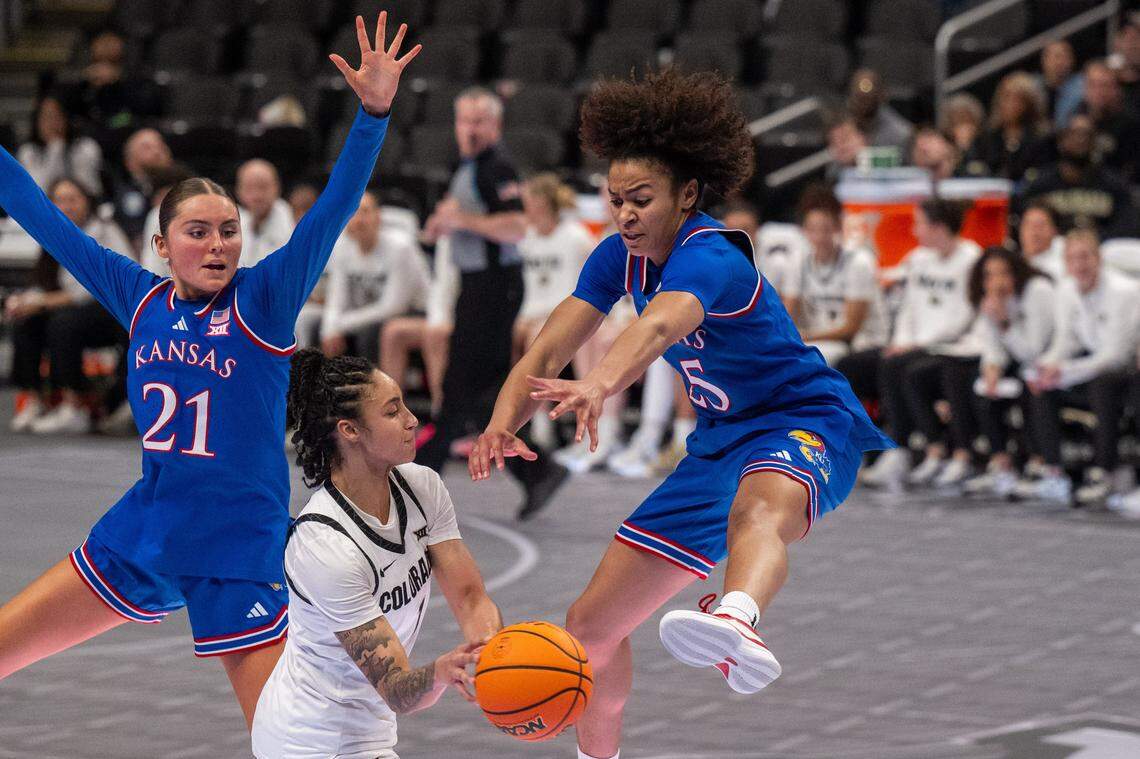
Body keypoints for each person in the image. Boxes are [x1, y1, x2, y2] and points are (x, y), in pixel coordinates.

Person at [0, 12, 418, 730]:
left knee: (292, 740)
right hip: (145, 534)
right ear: (163, 244)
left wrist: (373, 112)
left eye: (229, 229)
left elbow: (334, 208)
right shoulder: (141, 298)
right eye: (198, 231)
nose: (219, 243)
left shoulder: (263, 299)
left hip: (238, 553)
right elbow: (40, 215)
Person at [467, 69, 893, 759]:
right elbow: (547, 345)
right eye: (615, 201)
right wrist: (499, 424)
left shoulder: (714, 256)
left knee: (758, 510)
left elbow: (660, 326)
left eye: (641, 200)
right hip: (719, 442)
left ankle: (738, 617)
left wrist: (601, 383)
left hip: (805, 418)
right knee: (590, 628)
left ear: (688, 194)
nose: (625, 215)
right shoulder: (619, 258)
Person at [251, 349, 497, 759]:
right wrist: (440, 673)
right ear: (350, 430)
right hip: (308, 741)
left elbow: (470, 596)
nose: (412, 420)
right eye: (392, 411)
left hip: (368, 730)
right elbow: (399, 689)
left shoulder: (422, 487)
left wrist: (490, 650)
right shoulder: (325, 545)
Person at [417, 87, 568, 517]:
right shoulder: (468, 166)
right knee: (480, 392)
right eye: (463, 120)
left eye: (478, 121)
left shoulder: (497, 165)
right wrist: (441, 226)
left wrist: (460, 220)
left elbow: (518, 227)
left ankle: (420, 483)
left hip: (494, 287)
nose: (469, 129)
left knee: (462, 386)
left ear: (495, 125)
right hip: (477, 284)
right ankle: (537, 469)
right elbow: (457, 221)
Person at [842, 198, 981, 490]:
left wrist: (917, 344)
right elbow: (908, 309)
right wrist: (901, 341)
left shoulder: (971, 258)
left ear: (939, 227)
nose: (915, 231)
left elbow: (964, 315)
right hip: (914, 344)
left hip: (951, 346)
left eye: (919, 224)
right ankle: (868, 449)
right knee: (851, 365)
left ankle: (904, 447)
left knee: (898, 366)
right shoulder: (918, 259)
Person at [1019, 229, 1140, 505]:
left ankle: (1103, 471)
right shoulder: (1066, 289)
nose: (1079, 266)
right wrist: (1048, 365)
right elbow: (1067, 340)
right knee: (1039, 383)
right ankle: (1053, 470)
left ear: (1098, 259)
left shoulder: (1125, 292)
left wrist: (1067, 372)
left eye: (1085, 257)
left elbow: (1115, 354)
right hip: (1091, 364)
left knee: (1102, 385)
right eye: (1072, 259)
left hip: (1123, 370)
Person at [7, 178, 130, 433]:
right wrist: (24, 301)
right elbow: (45, 282)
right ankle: (33, 399)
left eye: (73, 199)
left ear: (87, 201)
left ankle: (76, 403)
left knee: (63, 324)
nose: (66, 206)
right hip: (70, 307)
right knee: (25, 322)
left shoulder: (104, 230)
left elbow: (87, 289)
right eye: (59, 200)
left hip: (111, 309)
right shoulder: (52, 236)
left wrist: (41, 302)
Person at [959, 246, 1055, 497]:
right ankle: (1002, 464)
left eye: (1003, 273)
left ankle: (1039, 461)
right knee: (981, 387)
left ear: (1017, 272)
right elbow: (993, 345)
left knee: (1030, 385)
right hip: (1020, 359)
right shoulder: (989, 299)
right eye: (989, 276)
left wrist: (1003, 321)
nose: (997, 282)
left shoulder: (1038, 291)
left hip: (1047, 359)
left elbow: (1033, 351)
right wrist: (992, 368)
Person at [513, 173, 596, 450]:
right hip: (536, 314)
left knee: (537, 335)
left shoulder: (576, 237)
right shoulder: (526, 238)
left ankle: (541, 427)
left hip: (571, 314)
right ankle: (515, 421)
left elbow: (573, 292)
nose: (526, 210)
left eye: (530, 204)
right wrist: (524, 316)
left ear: (544, 204)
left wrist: (531, 317)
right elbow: (528, 288)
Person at [782, 187, 888, 367]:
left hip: (862, 343)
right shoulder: (798, 262)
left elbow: (850, 328)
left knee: (814, 359)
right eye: (813, 229)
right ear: (804, 230)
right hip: (817, 338)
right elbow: (787, 314)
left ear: (838, 227)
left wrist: (805, 335)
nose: (819, 237)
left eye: (826, 229)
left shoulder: (858, 262)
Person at [321, 190, 430, 362]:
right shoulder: (342, 248)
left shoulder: (400, 247)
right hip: (365, 314)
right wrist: (329, 330)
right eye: (353, 213)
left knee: (369, 333)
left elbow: (393, 306)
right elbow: (336, 299)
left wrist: (340, 324)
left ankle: (377, 389)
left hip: (414, 311)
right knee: (320, 330)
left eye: (365, 212)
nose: (359, 220)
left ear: (378, 217)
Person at [1016, 114, 1140, 239]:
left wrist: (1093, 240)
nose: (1081, 140)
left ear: (1095, 142)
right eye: (1075, 133)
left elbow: (1127, 228)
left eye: (1087, 134)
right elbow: (1022, 223)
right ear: (1061, 140)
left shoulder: (1115, 185)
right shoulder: (1040, 184)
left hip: (1102, 251)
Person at [964, 71, 1052, 183]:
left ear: (1030, 104)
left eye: (1018, 99)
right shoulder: (986, 137)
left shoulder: (1042, 139)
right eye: (1006, 97)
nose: (1011, 104)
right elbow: (973, 168)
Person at [17, 95, 104, 197]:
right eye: (46, 117)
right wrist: (54, 150)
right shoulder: (28, 152)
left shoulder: (86, 147)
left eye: (56, 116)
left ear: (67, 118)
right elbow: (36, 191)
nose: (51, 123)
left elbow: (91, 188)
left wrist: (60, 147)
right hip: (45, 209)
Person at [1074, 60, 1140, 182]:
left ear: (1117, 90)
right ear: (1085, 89)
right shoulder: (1075, 119)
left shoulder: (1131, 125)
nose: (1099, 92)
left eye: (1105, 85)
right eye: (1093, 85)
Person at [112, 127, 173, 250]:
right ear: (129, 161)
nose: (157, 152)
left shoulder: (186, 185)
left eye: (160, 146)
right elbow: (137, 239)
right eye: (147, 147)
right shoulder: (127, 195)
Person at [237, 158, 296, 267]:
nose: (256, 195)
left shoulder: (294, 223)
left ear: (277, 188)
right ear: (239, 191)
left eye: (263, 187)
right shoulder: (235, 223)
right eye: (249, 188)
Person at [1017, 201, 1065, 280]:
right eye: (1028, 225)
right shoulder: (1011, 263)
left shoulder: (1064, 262)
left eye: (1041, 226)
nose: (1034, 232)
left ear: (1055, 230)